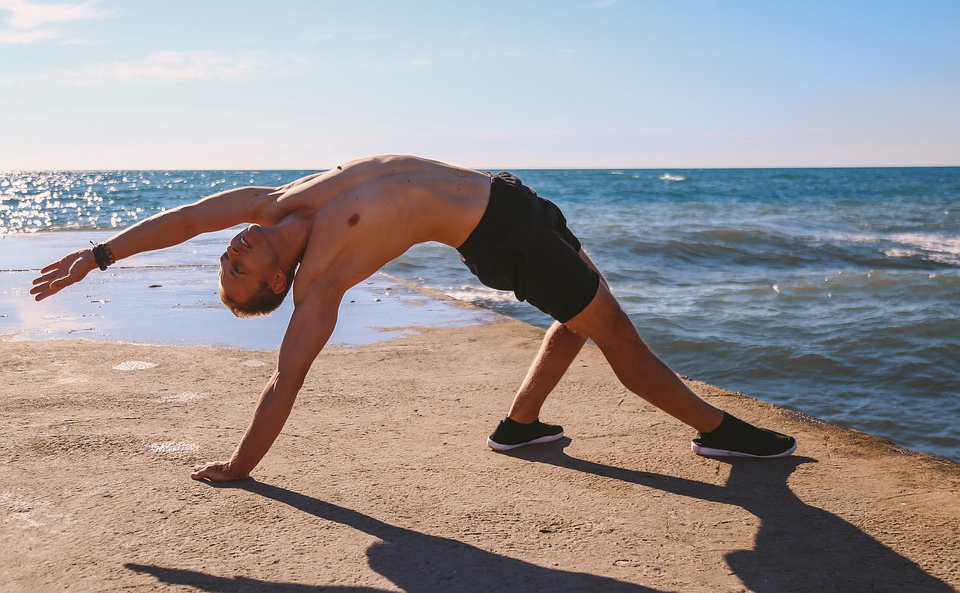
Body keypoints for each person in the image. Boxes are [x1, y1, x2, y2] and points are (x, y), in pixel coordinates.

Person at [30, 155, 796, 481]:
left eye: (227, 259)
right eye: (238, 270)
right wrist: (241, 468)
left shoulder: (273, 204)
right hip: (502, 237)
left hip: (511, 198)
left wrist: (99, 255)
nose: (230, 250)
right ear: (274, 285)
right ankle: (715, 432)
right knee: (614, 332)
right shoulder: (321, 281)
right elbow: (283, 383)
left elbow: (188, 218)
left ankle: (522, 422)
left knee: (588, 310)